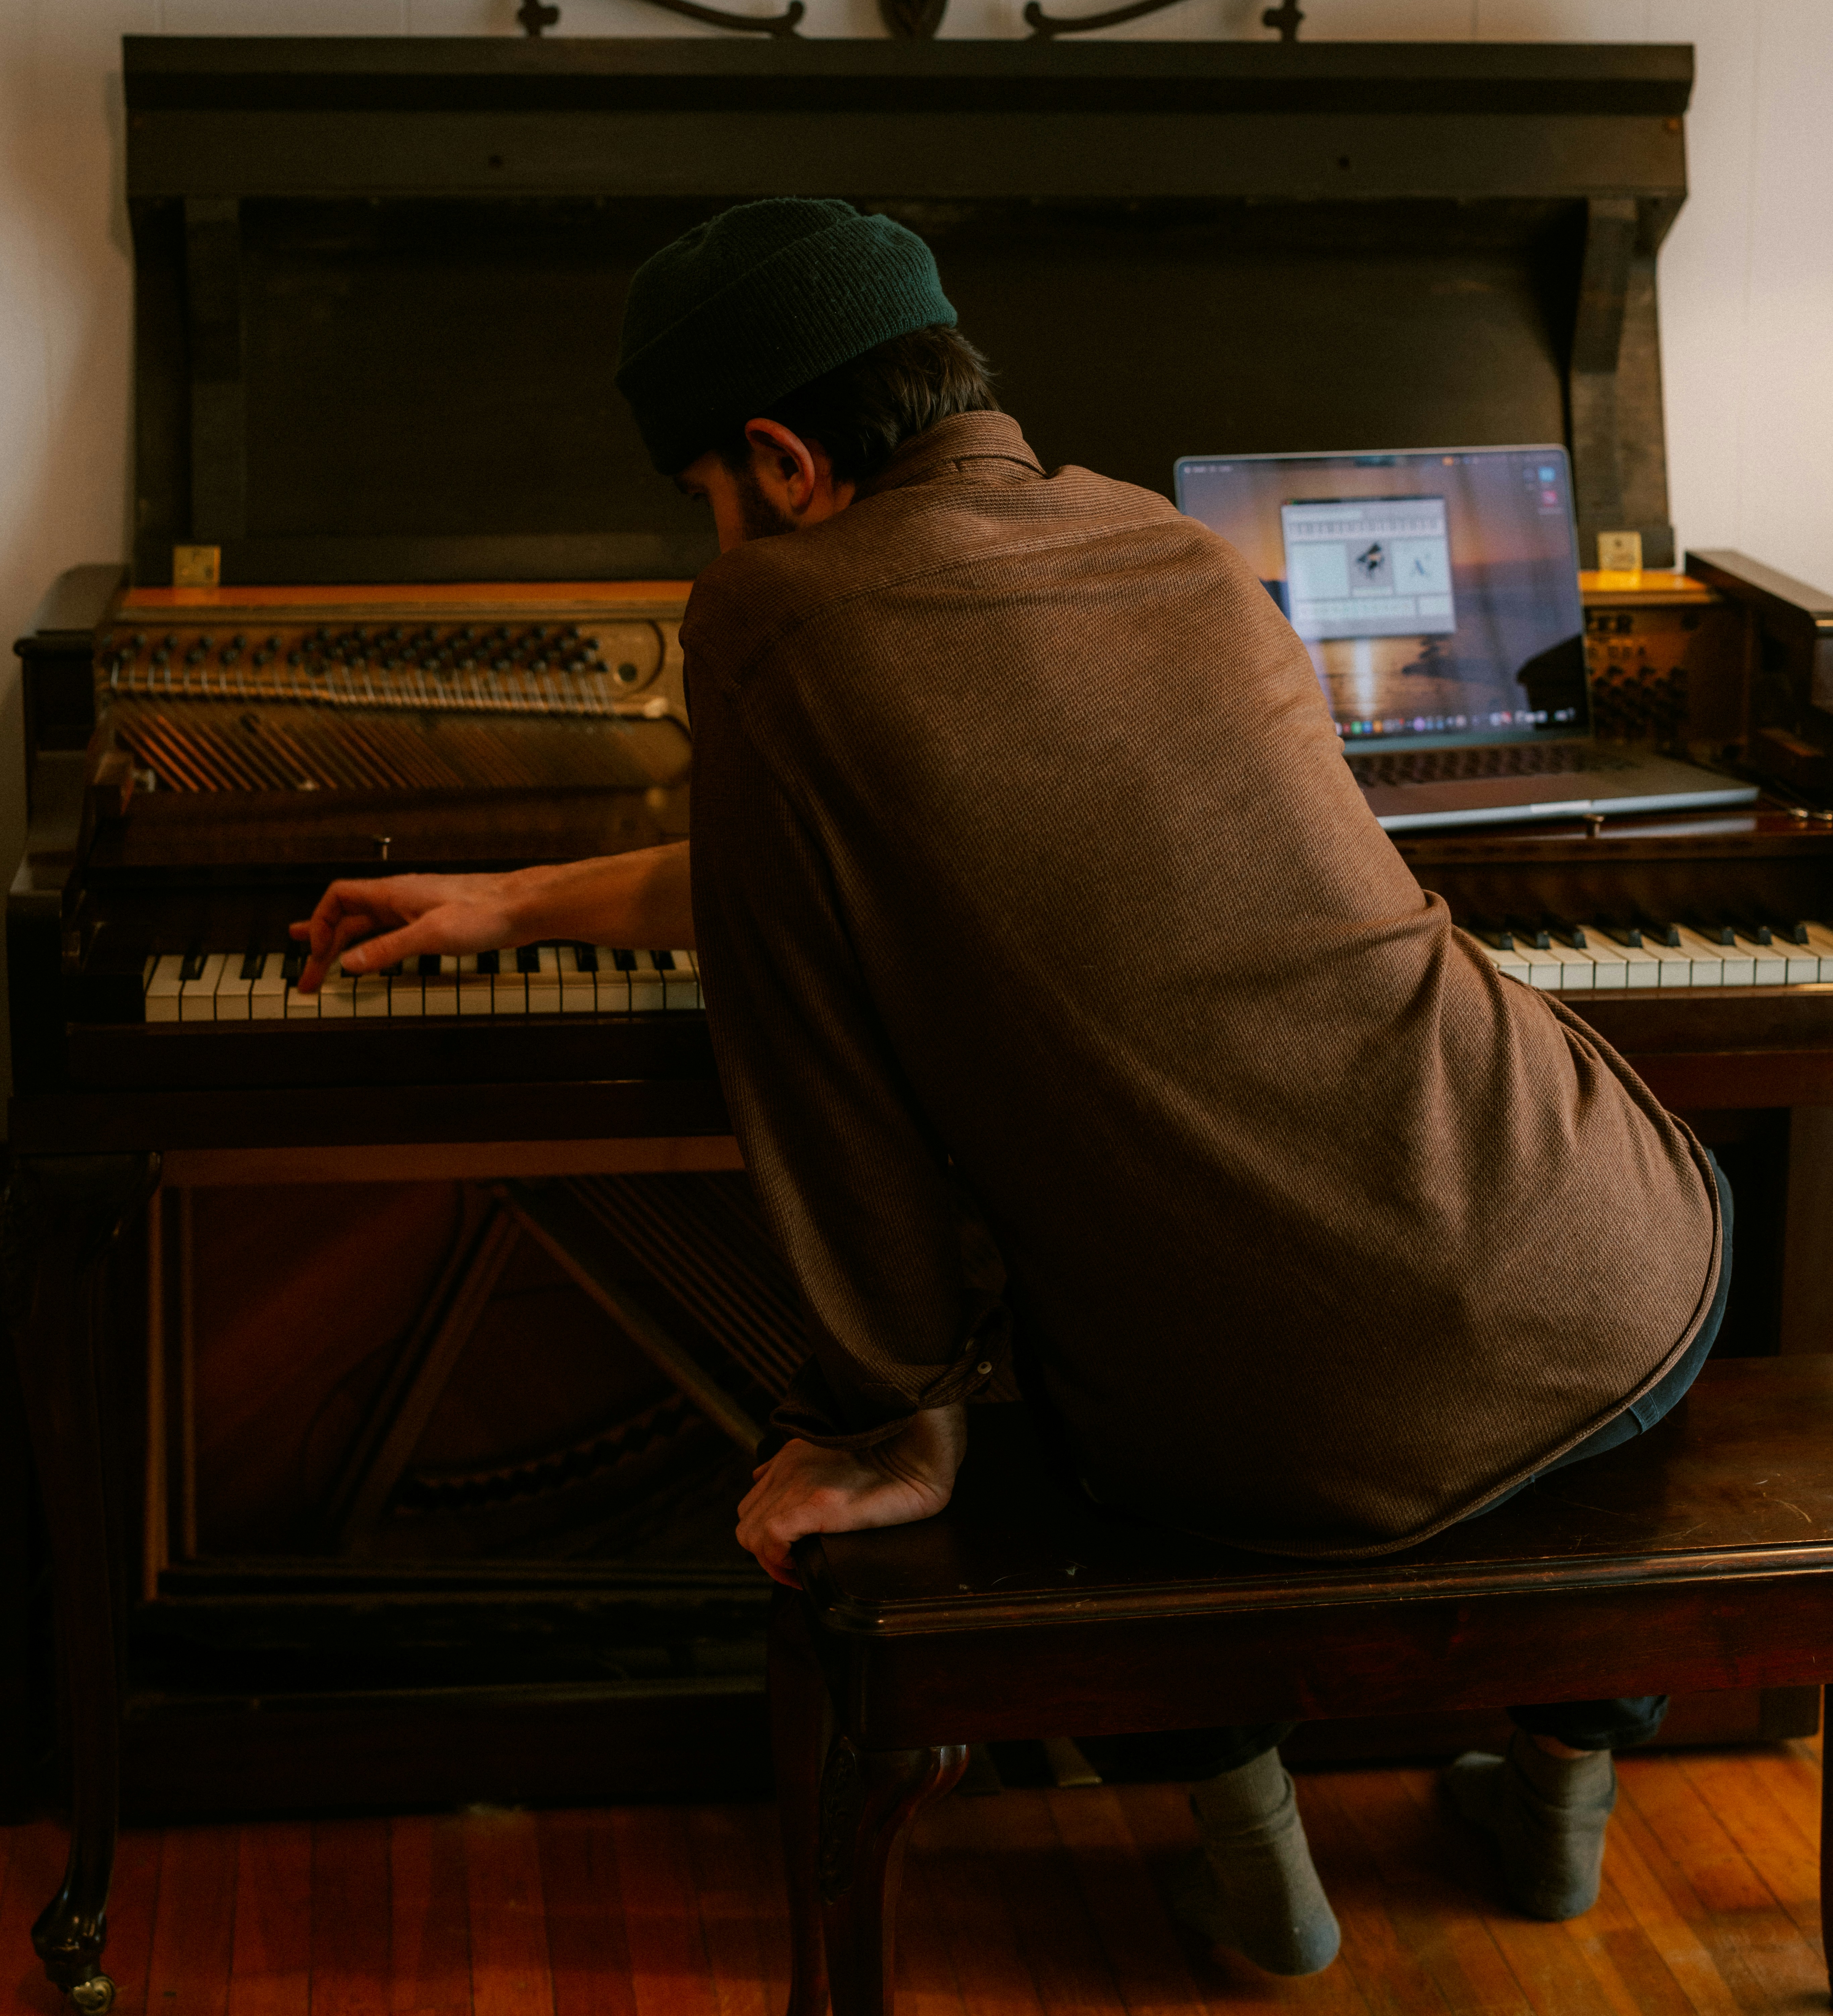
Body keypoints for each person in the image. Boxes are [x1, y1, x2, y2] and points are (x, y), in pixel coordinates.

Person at [296, 198, 1725, 1976]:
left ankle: (1248, 1850)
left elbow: (815, 1066)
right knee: (1659, 1234)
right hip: (1609, 1272)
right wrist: (516, 899)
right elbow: (839, 841)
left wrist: (893, 1403)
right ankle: (1562, 1797)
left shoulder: (770, 616)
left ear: (778, 458)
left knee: (1069, 1374)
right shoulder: (1161, 540)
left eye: (702, 495)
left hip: (1271, 1438)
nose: (713, 533)